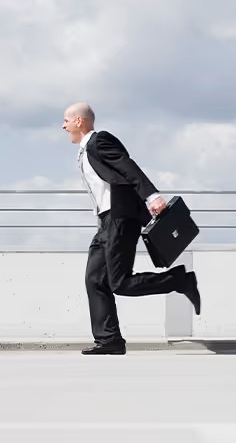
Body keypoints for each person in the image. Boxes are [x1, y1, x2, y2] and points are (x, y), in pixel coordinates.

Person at [62, 102, 201, 355]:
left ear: (79, 122)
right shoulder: (84, 151)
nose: (64, 126)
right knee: (94, 279)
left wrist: (152, 196)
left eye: (67, 121)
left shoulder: (99, 141)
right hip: (105, 222)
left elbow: (128, 166)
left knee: (120, 283)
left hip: (119, 219)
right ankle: (109, 340)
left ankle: (180, 280)